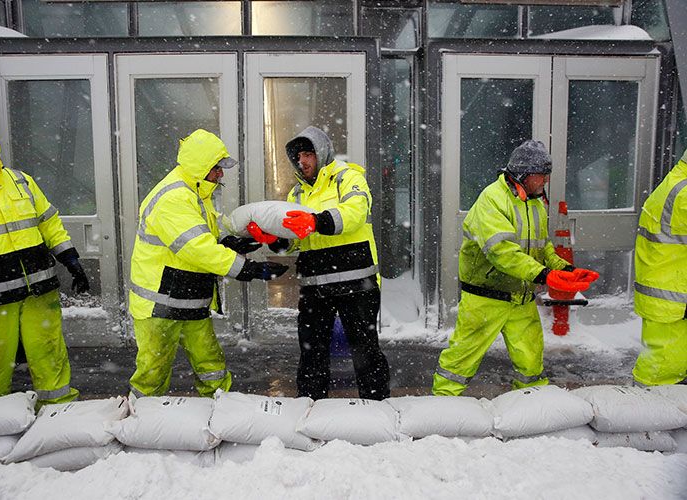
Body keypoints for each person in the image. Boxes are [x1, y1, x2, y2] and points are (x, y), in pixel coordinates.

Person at [128, 128, 288, 398]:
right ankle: (138, 420)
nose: (221, 174)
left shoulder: (196, 193)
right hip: (160, 305)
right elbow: (196, 248)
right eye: (217, 167)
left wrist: (229, 241)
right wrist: (246, 269)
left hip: (188, 299)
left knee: (211, 366)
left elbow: (205, 235)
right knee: (151, 374)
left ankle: (218, 411)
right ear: (201, 165)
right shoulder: (173, 198)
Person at [431, 139, 599, 396]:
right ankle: (442, 406)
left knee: (531, 361)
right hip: (485, 298)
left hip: (521, 299)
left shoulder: (536, 203)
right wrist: (544, 274)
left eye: (546, 176)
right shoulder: (492, 200)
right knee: (460, 360)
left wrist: (565, 270)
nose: (545, 181)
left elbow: (544, 249)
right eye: (541, 176)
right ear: (522, 174)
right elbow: (502, 252)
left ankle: (533, 404)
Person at [250, 125, 390, 401]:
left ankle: (376, 408)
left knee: (365, 351)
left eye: (307, 154)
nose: (302, 162)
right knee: (312, 352)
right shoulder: (296, 195)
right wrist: (273, 238)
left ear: (321, 152)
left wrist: (316, 221)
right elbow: (295, 241)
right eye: (298, 157)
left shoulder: (348, 178)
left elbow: (354, 213)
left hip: (356, 282)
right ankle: (310, 407)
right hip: (315, 286)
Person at [0, 116, 89, 405]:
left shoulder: (20, 180)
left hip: (39, 289)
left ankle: (59, 408)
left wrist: (69, 258)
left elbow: (48, 222)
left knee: (49, 351)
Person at [632, 148, 687, 386]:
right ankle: (645, 415)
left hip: (666, 294)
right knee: (661, 373)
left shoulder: (675, 183)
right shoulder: (683, 192)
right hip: (672, 299)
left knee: (659, 365)